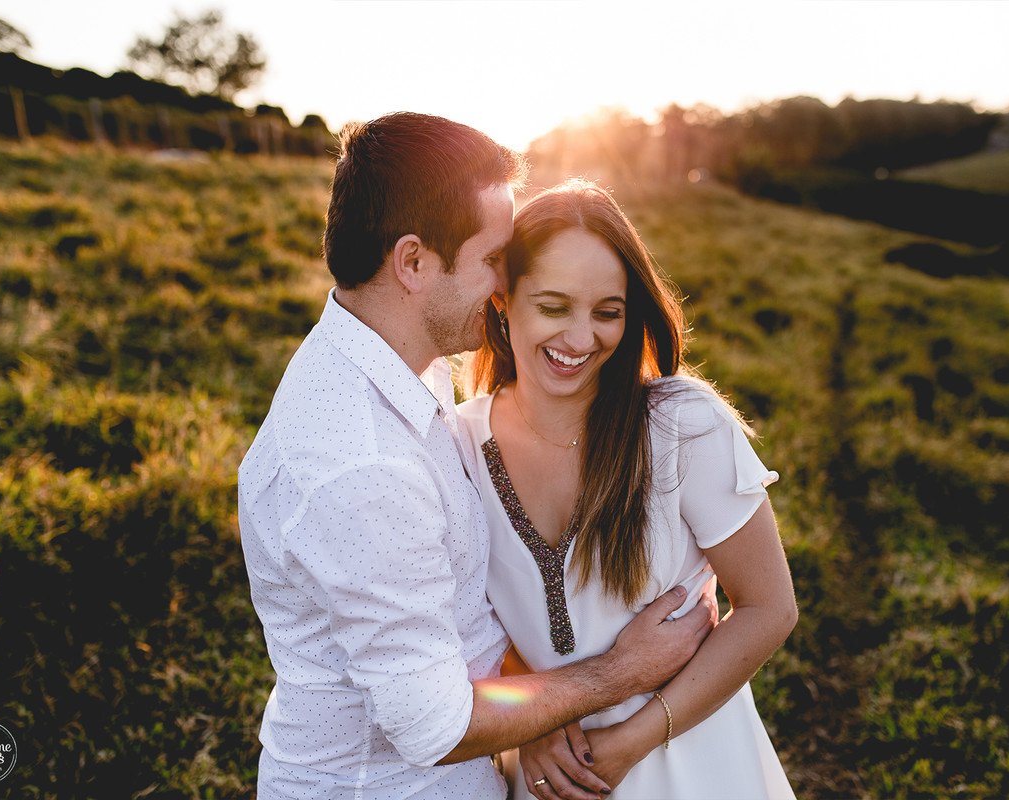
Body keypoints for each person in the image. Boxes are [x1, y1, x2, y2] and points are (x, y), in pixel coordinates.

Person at [237, 113, 715, 800]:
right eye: (493, 260)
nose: (503, 285)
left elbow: (457, 617)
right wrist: (618, 675)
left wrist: (529, 709)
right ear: (413, 263)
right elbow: (435, 727)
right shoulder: (362, 464)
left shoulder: (400, 364)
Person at [459, 179, 799, 800]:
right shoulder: (457, 446)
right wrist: (529, 723)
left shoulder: (681, 426)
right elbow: (471, 626)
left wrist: (633, 740)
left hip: (693, 768)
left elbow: (768, 609)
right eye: (555, 307)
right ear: (503, 302)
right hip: (548, 777)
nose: (581, 339)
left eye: (607, 312)